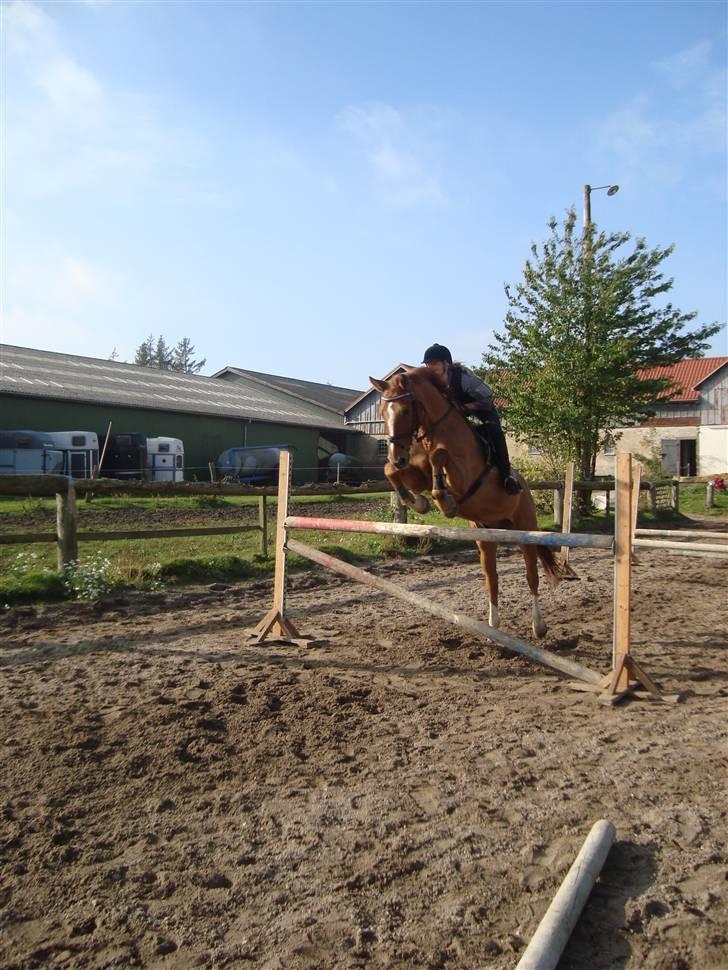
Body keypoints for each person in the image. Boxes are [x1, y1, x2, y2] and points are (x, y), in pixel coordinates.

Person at [422, 343, 521, 495]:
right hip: (457, 416)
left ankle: (507, 476)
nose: (430, 368)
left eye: (434, 363)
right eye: (428, 364)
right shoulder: (432, 383)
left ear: (446, 364)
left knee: (495, 433)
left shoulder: (464, 380)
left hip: (482, 412)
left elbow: (487, 398)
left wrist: (465, 408)